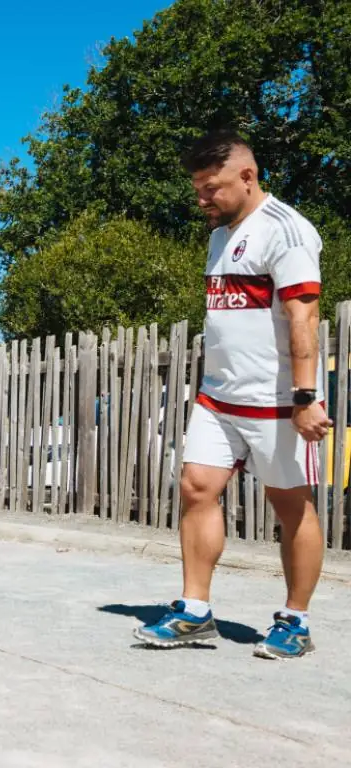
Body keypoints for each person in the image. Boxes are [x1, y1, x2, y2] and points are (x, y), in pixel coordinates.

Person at [134, 130, 331, 660]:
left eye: (211, 187)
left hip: (277, 399)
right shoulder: (221, 234)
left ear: (248, 176)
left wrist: (306, 395)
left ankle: (296, 621)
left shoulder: (288, 231)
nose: (202, 199)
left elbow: (303, 314)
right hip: (219, 396)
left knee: (290, 505)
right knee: (196, 486)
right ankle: (195, 612)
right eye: (197, 187)